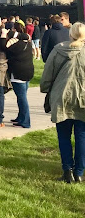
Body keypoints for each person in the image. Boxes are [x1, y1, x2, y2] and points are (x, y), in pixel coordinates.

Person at [40, 22, 85, 183]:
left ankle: (68, 170)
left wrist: (45, 88)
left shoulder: (59, 49)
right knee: (82, 136)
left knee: (64, 136)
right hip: (82, 98)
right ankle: (79, 172)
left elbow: (47, 74)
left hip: (62, 96)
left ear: (70, 33)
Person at [5, 22, 34, 129]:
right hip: (28, 72)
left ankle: (26, 121)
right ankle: (21, 117)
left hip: (18, 73)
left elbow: (5, 50)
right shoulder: (28, 42)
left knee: (22, 98)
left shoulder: (14, 45)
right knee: (22, 97)